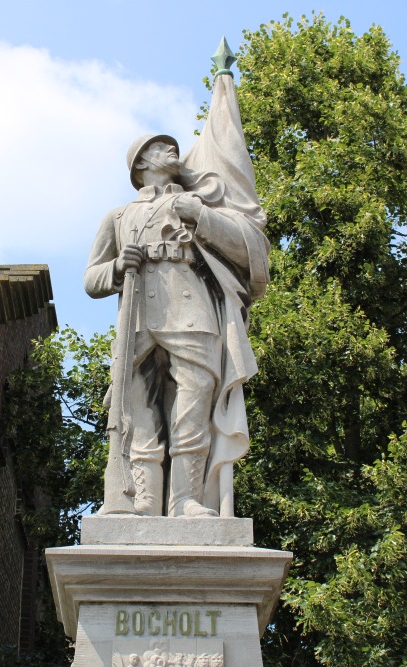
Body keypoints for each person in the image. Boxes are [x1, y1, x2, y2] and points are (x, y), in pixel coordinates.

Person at [85, 133, 269, 517]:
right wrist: (118, 267)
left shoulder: (198, 203)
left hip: (193, 316)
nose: (171, 149)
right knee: (137, 411)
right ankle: (144, 501)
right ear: (139, 164)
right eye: (158, 146)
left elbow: (246, 251)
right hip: (137, 321)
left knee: (196, 401)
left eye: (171, 145)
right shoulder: (117, 217)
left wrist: (200, 215)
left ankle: (186, 499)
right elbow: (91, 279)